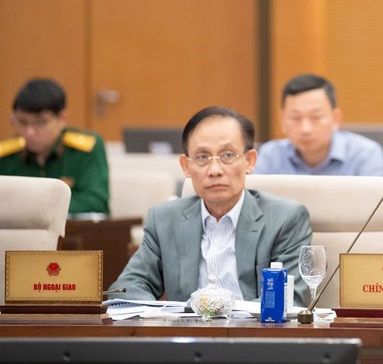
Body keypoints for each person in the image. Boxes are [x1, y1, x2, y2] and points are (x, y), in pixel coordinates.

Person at [111, 106, 312, 304]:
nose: (215, 170)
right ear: (186, 166)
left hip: (253, 326)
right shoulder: (164, 219)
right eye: (202, 157)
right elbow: (127, 287)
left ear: (249, 161)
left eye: (228, 155)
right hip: (185, 326)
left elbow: (288, 298)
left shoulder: (285, 219)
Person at [0, 78, 109, 214]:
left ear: (62, 118)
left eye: (40, 122)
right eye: (22, 122)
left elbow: (96, 202)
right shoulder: (6, 155)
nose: (29, 132)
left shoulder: (86, 148)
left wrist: (35, 207)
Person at [254, 74, 383, 176]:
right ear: (282, 120)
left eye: (316, 117)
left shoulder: (364, 154)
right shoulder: (270, 155)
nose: (305, 129)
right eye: (295, 118)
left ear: (336, 118)